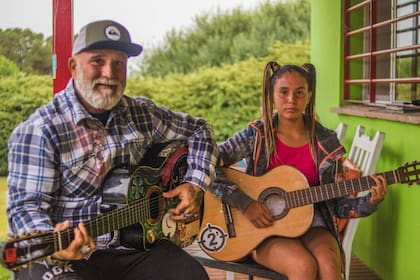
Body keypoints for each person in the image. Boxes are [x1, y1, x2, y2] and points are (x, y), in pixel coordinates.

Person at [7, 19, 218, 280]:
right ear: (73, 66)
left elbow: (200, 130)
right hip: (71, 254)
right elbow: (25, 208)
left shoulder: (141, 114)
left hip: (133, 244)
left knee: (190, 275)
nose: (109, 73)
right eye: (98, 61)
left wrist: (194, 184)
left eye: (118, 63)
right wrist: (54, 244)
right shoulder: (41, 129)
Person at [208, 61, 388, 280]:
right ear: (272, 95)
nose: (291, 100)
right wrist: (244, 204)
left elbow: (339, 206)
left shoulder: (327, 142)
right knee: (303, 267)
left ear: (309, 95)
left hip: (314, 223)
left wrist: (370, 203)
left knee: (330, 270)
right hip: (262, 228)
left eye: (299, 92)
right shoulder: (256, 135)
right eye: (284, 92)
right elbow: (207, 163)